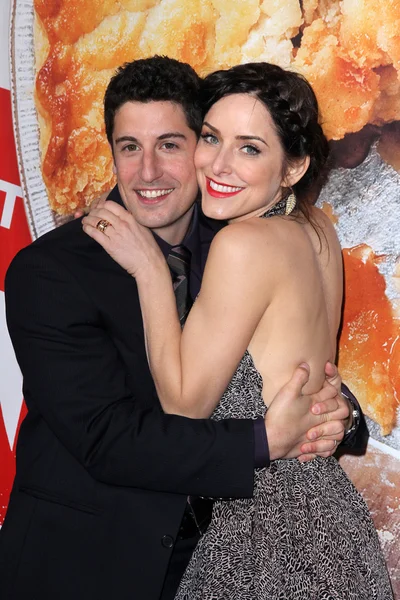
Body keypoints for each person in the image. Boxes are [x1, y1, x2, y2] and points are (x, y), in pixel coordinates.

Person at [2, 57, 364, 600]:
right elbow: (108, 440)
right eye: (130, 147)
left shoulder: (238, 241)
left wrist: (339, 414)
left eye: (171, 144)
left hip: (230, 554)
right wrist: (268, 439)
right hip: (87, 563)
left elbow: (289, 366)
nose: (148, 171)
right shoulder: (50, 270)